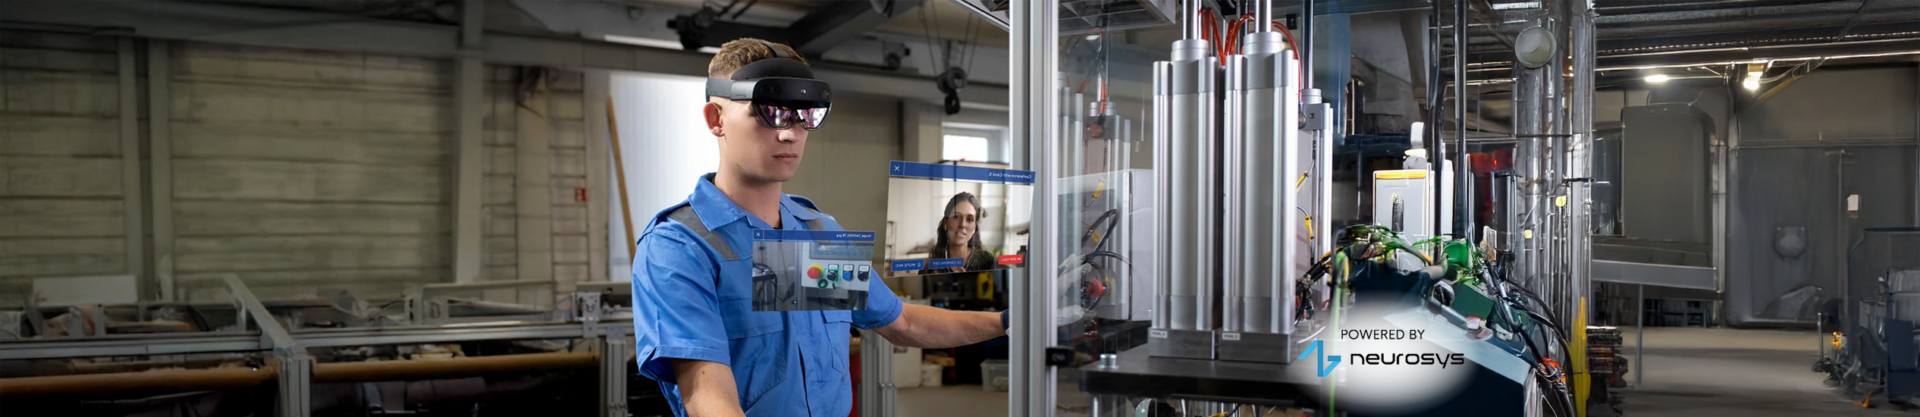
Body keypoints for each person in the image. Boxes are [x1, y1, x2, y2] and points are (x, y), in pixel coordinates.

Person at [629, 38, 1011, 417]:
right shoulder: (681, 246)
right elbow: (712, 404)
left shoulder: (813, 233)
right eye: (770, 113)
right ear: (716, 120)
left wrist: (1010, 323)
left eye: (805, 115)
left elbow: (904, 323)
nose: (791, 133)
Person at [924, 192, 998, 275]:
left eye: (969, 219)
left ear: (974, 227)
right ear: (945, 223)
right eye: (956, 217)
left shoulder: (987, 262)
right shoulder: (928, 268)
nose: (962, 224)